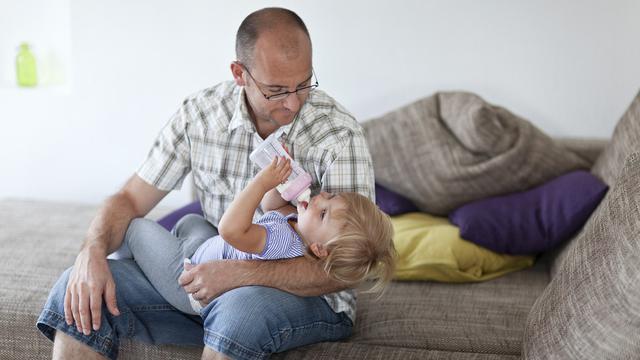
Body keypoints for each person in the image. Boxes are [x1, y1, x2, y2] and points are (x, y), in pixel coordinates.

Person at [36, 7, 377, 360]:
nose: (293, 103)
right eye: (276, 90)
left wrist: (237, 274)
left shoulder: (338, 136)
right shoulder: (199, 116)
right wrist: (91, 250)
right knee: (76, 291)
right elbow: (129, 200)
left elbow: (349, 266)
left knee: (239, 310)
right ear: (239, 74)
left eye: (303, 84)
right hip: (204, 278)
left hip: (309, 298)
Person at [119, 156, 395, 315]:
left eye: (323, 213)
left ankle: (132, 261)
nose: (321, 196)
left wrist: (262, 181)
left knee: (136, 228)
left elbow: (230, 229)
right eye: (330, 196)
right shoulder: (298, 230)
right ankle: (156, 256)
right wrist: (285, 182)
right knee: (192, 221)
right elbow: (270, 206)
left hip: (192, 279)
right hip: (207, 248)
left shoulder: (281, 241)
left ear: (320, 249)